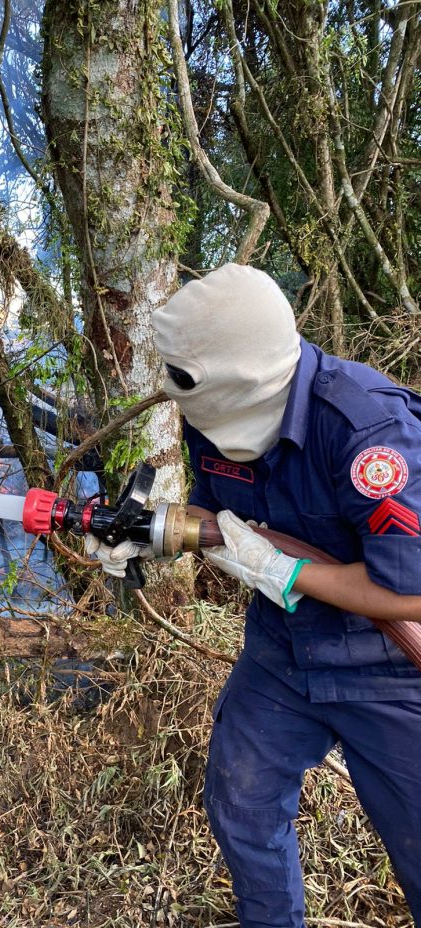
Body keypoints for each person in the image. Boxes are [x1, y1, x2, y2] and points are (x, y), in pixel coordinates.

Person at [84, 263, 421, 928]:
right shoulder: (209, 412)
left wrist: (285, 572)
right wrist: (151, 534)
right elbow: (217, 522)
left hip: (384, 668)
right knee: (241, 802)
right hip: (282, 654)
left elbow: (411, 591)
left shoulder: (367, 433)